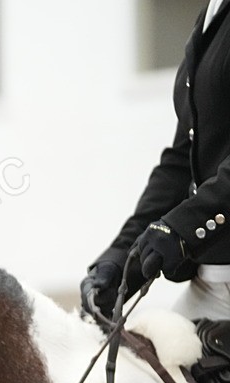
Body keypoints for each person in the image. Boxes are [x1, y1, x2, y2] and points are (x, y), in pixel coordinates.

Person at [82, 0, 230, 321]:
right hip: (212, 285)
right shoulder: (212, 15)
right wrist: (123, 257)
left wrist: (181, 228)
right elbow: (181, 161)